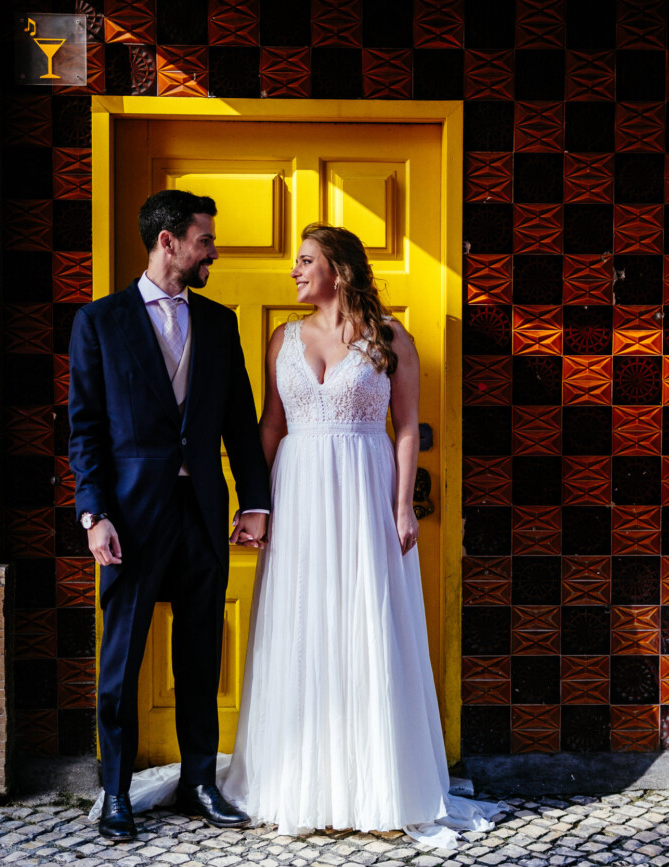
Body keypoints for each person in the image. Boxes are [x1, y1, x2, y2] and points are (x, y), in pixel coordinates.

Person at [220, 224, 501, 845]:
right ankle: (297, 777)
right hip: (298, 497)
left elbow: (406, 429)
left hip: (364, 494)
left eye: (305, 261)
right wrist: (254, 504)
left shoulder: (391, 338)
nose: (293, 271)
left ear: (338, 271)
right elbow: (271, 426)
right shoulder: (281, 339)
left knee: (363, 623)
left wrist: (402, 506)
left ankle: (375, 780)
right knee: (303, 624)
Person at [68, 189, 271, 842]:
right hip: (129, 516)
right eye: (205, 239)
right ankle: (117, 790)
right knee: (122, 660)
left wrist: (256, 500)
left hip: (202, 515)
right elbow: (85, 427)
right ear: (169, 243)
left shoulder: (218, 323)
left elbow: (240, 420)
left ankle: (200, 781)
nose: (212, 249)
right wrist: (93, 512)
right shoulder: (99, 323)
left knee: (201, 653)